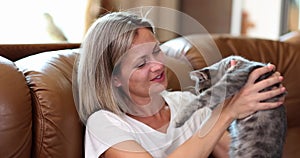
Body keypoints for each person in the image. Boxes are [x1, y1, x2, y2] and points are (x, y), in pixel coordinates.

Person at [75, 11, 286, 158]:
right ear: (114, 78)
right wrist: (227, 112)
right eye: (141, 63)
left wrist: (253, 106)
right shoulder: (103, 124)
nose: (158, 65)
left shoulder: (185, 104)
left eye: (157, 51)